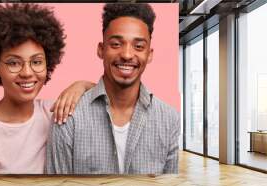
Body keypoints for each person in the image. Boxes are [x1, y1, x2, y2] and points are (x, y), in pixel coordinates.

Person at [46, 3, 180, 175]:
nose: (126, 54)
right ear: (101, 50)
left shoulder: (169, 119)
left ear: (149, 54)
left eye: (138, 46)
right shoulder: (68, 116)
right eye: (116, 44)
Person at [0, 3, 94, 175]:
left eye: (36, 62)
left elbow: (111, 95)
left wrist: (82, 85)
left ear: (48, 64)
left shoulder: (55, 112)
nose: (27, 73)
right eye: (13, 63)